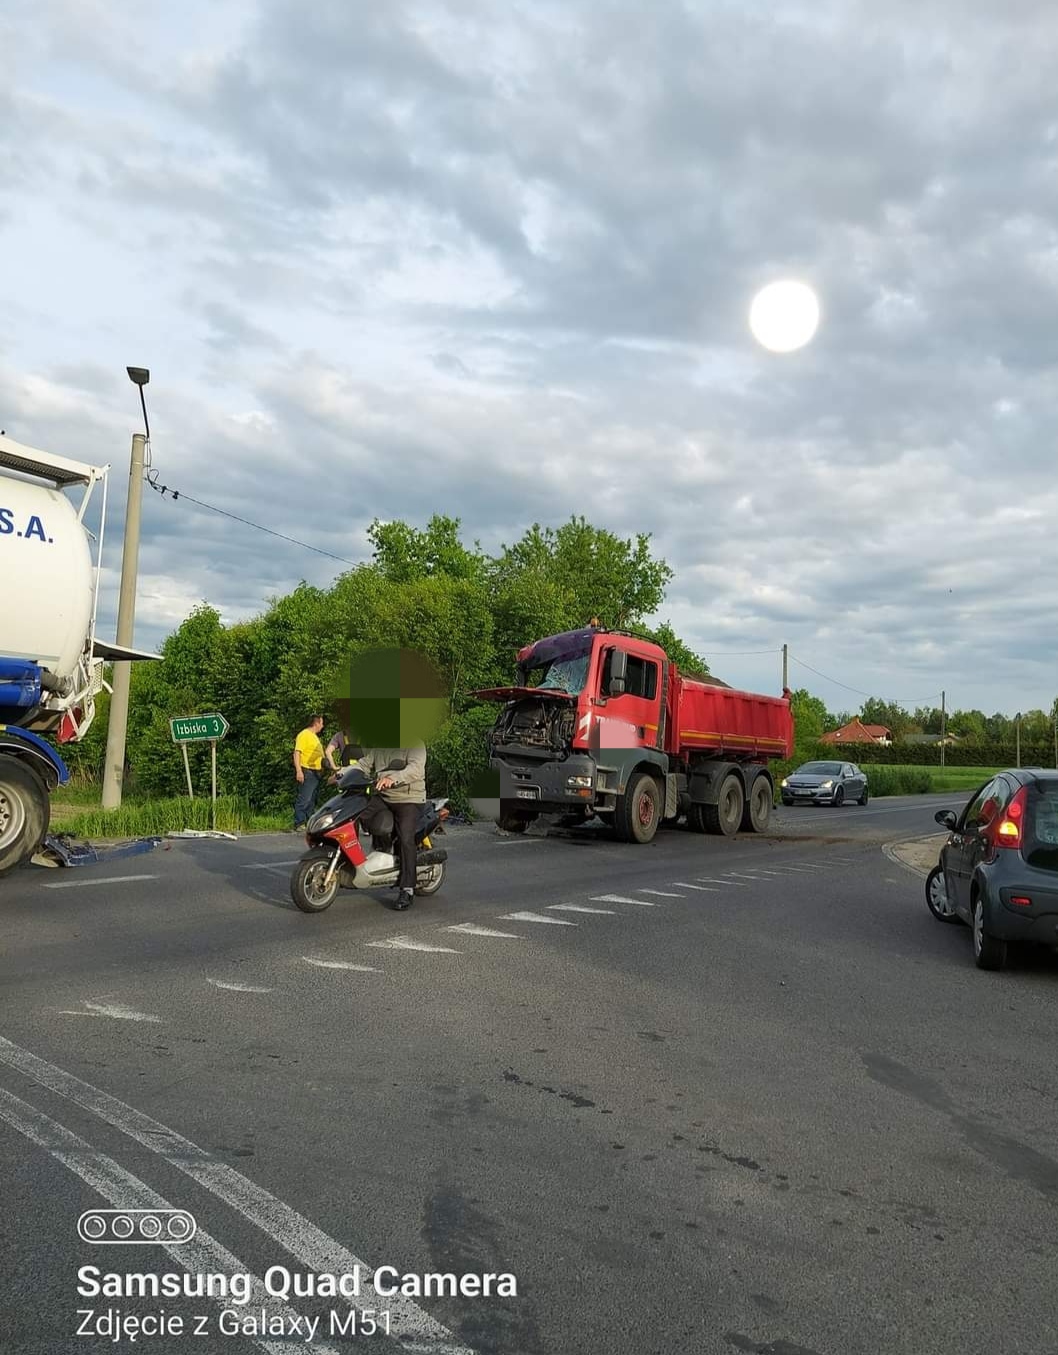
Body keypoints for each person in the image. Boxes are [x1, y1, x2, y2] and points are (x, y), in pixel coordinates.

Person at [354, 745, 427, 910]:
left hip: (409, 798)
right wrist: (342, 773)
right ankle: (365, 856)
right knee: (356, 811)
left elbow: (415, 769)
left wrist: (393, 778)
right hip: (384, 796)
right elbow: (363, 764)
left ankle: (407, 888)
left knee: (405, 839)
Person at [292, 714, 326, 830]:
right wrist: (299, 770)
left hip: (316, 772)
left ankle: (309, 823)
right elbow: (297, 753)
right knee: (305, 798)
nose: (323, 726)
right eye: (322, 723)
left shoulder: (314, 737)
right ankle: (299, 822)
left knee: (312, 800)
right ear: (316, 723)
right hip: (308, 771)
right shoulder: (304, 735)